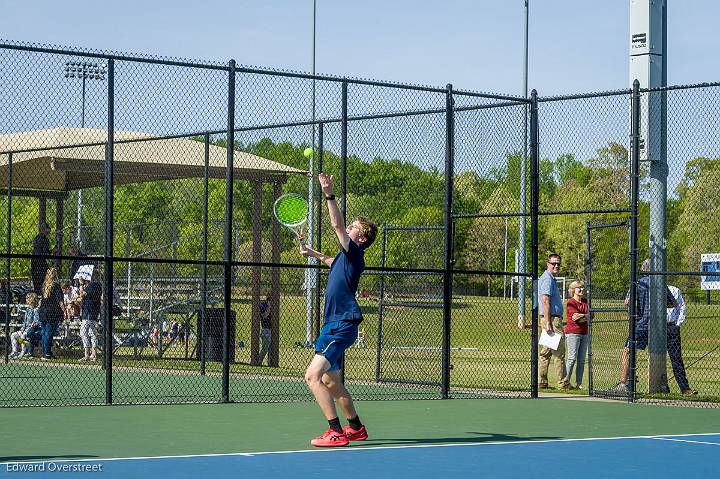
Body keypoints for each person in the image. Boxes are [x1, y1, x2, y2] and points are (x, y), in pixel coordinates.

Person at [299, 172, 378, 447]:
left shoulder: (355, 251)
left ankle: (334, 431)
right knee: (330, 381)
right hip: (334, 324)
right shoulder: (345, 258)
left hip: (342, 322)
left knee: (312, 376)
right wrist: (314, 254)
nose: (349, 227)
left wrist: (328, 193)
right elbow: (333, 262)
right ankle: (355, 427)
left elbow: (336, 224)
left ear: (362, 237)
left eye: (354, 226)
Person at [616, 259, 677, 391]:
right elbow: (673, 303)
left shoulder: (638, 283)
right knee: (657, 353)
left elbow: (627, 302)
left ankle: (624, 381)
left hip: (642, 324)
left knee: (628, 350)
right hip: (659, 325)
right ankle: (660, 384)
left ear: (643, 269)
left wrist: (638, 311)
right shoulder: (661, 284)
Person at [537, 253, 570, 390]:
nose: (556, 266)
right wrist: (549, 322)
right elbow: (545, 300)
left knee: (546, 352)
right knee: (559, 352)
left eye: (558, 264)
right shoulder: (548, 279)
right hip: (552, 319)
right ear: (548, 264)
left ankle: (541, 382)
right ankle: (563, 383)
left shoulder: (550, 278)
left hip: (549, 319)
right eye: (553, 263)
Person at [665, 284, 697, 395]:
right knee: (655, 357)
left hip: (671, 326)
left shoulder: (674, 290)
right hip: (654, 327)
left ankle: (684, 388)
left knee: (676, 358)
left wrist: (677, 324)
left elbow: (681, 307)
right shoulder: (649, 289)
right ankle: (661, 387)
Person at [565, 280, 589, 389]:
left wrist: (583, 316)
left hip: (584, 333)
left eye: (582, 287)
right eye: (579, 287)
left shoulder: (585, 301)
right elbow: (574, 317)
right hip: (573, 333)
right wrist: (585, 316)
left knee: (581, 360)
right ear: (573, 290)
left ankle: (578, 384)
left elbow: (592, 315)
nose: (582, 289)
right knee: (572, 358)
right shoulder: (571, 302)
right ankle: (565, 382)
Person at [75, 264, 101, 361]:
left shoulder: (93, 285)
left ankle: (88, 353)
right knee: (92, 332)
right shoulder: (97, 285)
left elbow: (82, 295)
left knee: (84, 332)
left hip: (89, 311)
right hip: (91, 310)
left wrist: (81, 284)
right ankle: (92, 354)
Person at [38, 267, 64, 361]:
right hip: (52, 312)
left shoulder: (44, 285)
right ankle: (47, 353)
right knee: (49, 333)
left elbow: (41, 301)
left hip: (43, 312)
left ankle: (46, 352)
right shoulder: (56, 286)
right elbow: (60, 300)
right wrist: (64, 310)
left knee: (45, 332)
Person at [10, 293, 40, 359]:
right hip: (25, 329)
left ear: (31, 300)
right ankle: (14, 351)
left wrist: (33, 324)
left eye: (27, 299)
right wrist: (22, 329)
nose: (26, 300)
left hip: (31, 329)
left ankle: (23, 352)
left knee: (22, 336)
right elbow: (25, 322)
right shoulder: (27, 309)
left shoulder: (36, 310)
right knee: (13, 335)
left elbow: (36, 321)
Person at [31, 223, 52, 295]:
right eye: (48, 229)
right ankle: (43, 296)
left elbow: (42, 251)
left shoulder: (36, 238)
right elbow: (45, 253)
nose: (49, 231)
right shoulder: (45, 239)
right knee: (43, 281)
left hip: (34, 262)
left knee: (36, 283)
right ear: (44, 229)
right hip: (40, 263)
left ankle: (38, 295)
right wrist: (52, 252)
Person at [257, 296, 272, 365]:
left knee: (271, 348)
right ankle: (258, 361)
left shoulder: (274, 307)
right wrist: (269, 307)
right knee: (265, 347)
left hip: (272, 330)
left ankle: (270, 363)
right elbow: (264, 316)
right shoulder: (263, 305)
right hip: (265, 329)